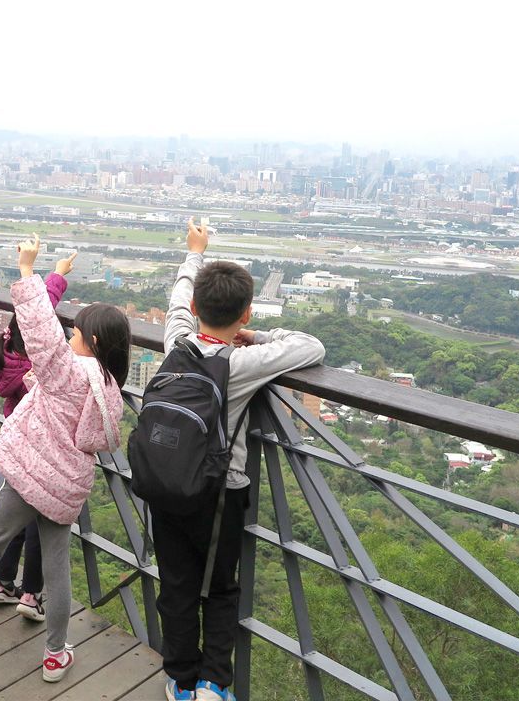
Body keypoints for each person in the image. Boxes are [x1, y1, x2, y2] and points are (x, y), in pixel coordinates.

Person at [0, 234, 129, 685]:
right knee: (57, 570)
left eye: (75, 334)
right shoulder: (110, 388)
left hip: (29, 474)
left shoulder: (68, 371)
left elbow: (41, 331)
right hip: (65, 486)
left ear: (91, 340)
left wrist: (28, 271)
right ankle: (55, 654)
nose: (69, 338)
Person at [157, 220, 325, 701]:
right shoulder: (240, 363)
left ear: (195, 309)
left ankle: (180, 682)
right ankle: (212, 683)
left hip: (165, 483)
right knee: (220, 587)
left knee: (177, 585)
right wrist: (257, 334)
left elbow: (178, 298)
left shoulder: (177, 342)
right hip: (219, 494)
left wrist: (194, 252)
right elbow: (311, 347)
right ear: (246, 311)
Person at [0, 250, 74, 622]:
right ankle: (32, 595)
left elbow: (36, 309)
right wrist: (58, 273)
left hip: (17, 443)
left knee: (12, 514)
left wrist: (52, 275)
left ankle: (1, 580)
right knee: (39, 521)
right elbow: (41, 311)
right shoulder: (38, 361)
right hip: (46, 447)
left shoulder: (4, 352)